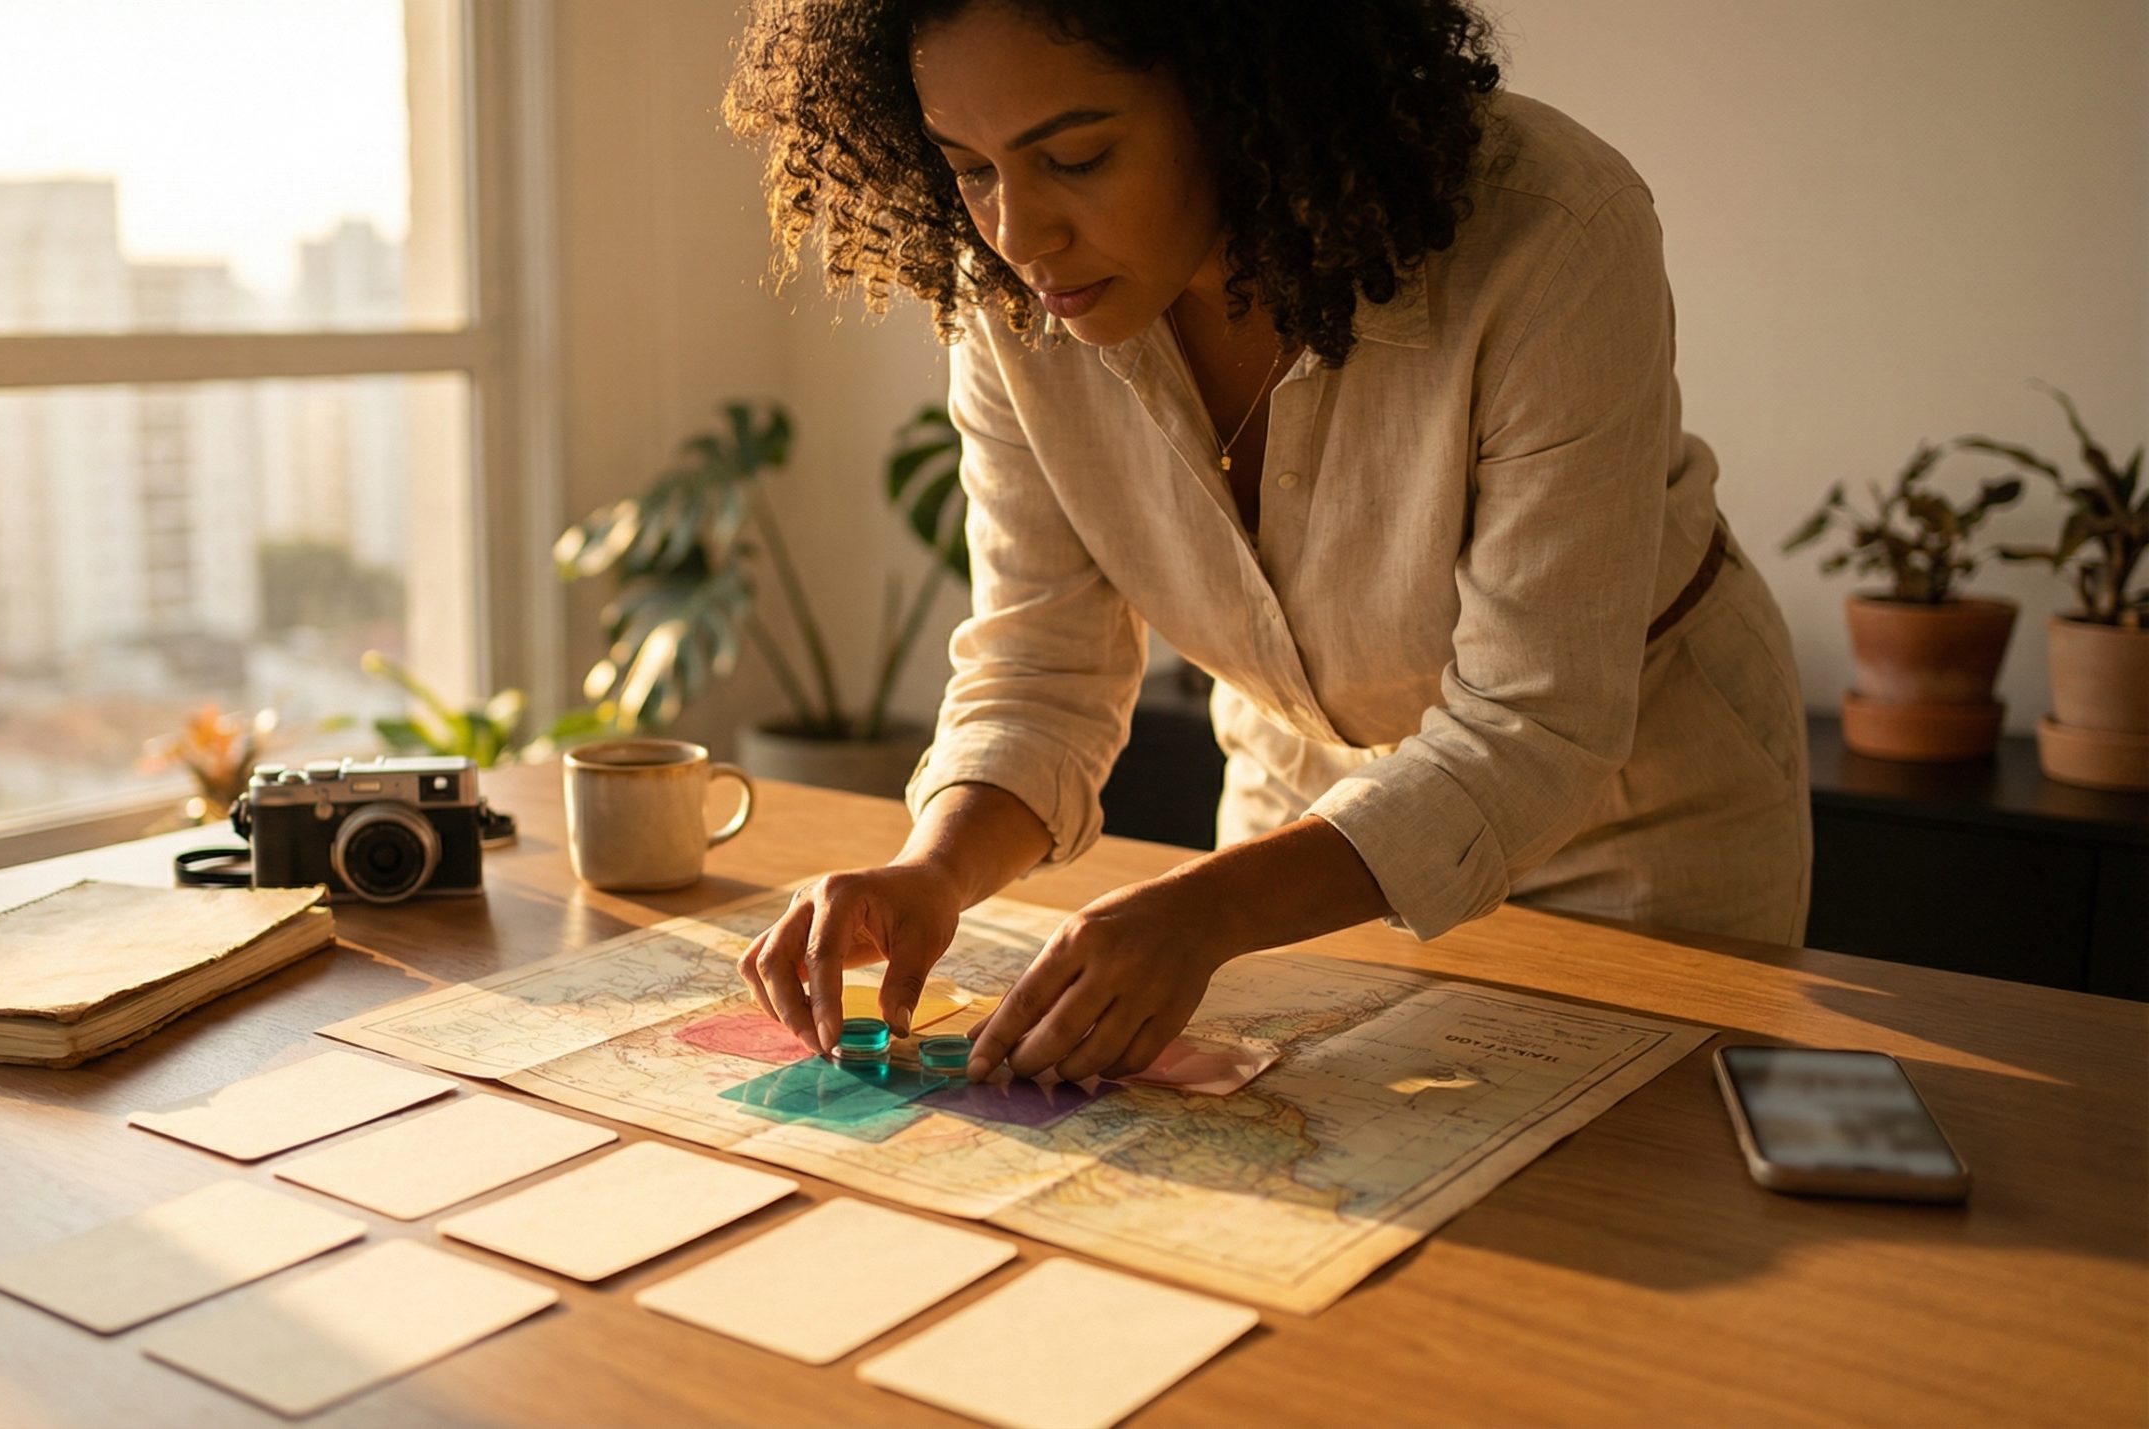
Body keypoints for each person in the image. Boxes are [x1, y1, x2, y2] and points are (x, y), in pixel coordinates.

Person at [721, 0, 1810, 1085]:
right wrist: (935, 869)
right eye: (967, 168)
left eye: (1080, 157)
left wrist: (1212, 909)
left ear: (1244, 99)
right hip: (1295, 804)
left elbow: (1537, 724)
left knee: (1626, 1215)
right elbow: (1038, 670)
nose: (1018, 234)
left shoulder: (1550, 229)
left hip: (1629, 804)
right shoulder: (1013, 297)